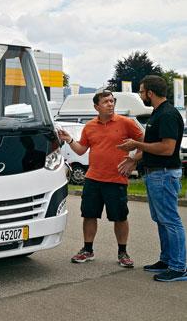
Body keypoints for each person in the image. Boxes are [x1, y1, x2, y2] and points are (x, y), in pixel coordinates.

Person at [58, 89, 143, 267]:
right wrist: (69, 139)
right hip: (93, 179)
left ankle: (123, 253)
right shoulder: (90, 126)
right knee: (89, 215)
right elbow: (81, 150)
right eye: (106, 102)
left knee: (120, 217)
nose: (110, 104)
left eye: (112, 101)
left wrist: (133, 160)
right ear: (97, 106)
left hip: (116, 179)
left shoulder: (126, 123)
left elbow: (145, 143)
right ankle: (87, 250)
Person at [117, 75, 187, 282]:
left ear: (150, 93)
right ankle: (167, 260)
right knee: (161, 220)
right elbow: (152, 147)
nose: (140, 95)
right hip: (156, 174)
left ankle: (179, 267)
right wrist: (134, 161)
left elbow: (167, 148)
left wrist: (136, 145)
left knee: (170, 221)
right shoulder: (158, 113)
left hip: (164, 174)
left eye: (141, 91)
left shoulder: (167, 114)